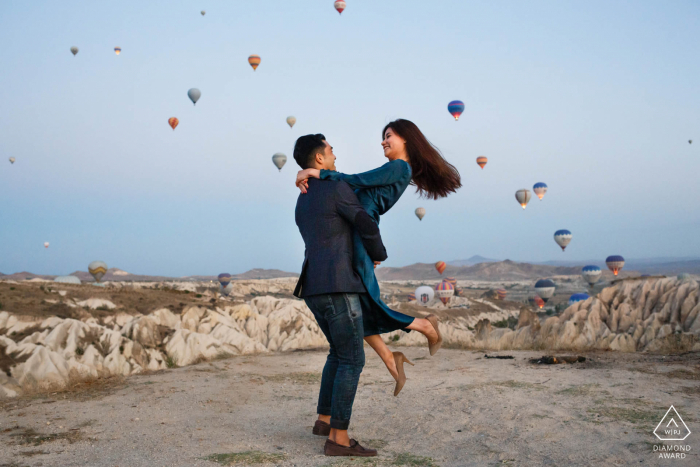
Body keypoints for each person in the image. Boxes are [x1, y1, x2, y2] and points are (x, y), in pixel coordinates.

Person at [296, 119, 462, 396]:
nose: (383, 141)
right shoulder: (394, 168)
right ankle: (390, 357)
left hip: (361, 231)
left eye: (389, 136)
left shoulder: (399, 167)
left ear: (407, 139)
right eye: (383, 137)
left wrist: (318, 173)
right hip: (354, 233)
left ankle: (422, 326)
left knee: (365, 298)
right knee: (358, 302)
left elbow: (355, 181)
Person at [293, 134, 385, 457]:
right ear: (319, 159)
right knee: (352, 358)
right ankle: (338, 438)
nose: (335, 154)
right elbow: (364, 221)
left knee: (337, 352)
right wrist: (377, 253)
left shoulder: (302, 197)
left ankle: (324, 419)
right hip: (338, 284)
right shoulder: (336, 188)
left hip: (312, 287)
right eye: (330, 150)